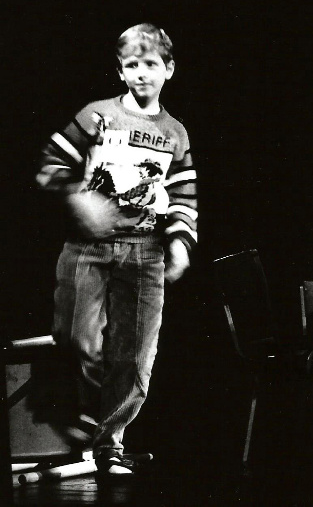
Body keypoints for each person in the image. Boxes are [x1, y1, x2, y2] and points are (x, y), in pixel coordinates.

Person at [36, 24, 198, 480]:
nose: (141, 73)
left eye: (150, 64)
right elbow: (51, 164)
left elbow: (183, 194)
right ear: (120, 71)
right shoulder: (98, 116)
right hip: (88, 247)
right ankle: (89, 416)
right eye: (132, 65)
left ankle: (109, 443)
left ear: (168, 69)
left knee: (136, 355)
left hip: (145, 252)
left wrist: (180, 241)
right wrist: (78, 198)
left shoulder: (175, 133)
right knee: (77, 338)